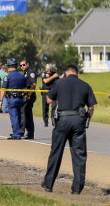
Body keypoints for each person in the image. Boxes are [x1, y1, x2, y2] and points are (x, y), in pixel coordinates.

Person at [41, 64, 96, 195]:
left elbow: (48, 100)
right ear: (77, 73)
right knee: (79, 155)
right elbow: (92, 107)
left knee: (56, 152)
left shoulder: (59, 83)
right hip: (79, 120)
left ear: (66, 73)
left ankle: (48, 184)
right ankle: (77, 189)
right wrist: (86, 119)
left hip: (62, 120)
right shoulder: (85, 85)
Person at [0, 58, 26, 140]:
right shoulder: (22, 76)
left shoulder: (7, 77)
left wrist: (1, 100)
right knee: (19, 116)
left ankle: (16, 134)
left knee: (14, 117)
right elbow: (25, 87)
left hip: (12, 99)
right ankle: (18, 132)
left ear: (10, 66)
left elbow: (3, 89)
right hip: (21, 98)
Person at [19, 59, 37, 140]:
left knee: (25, 113)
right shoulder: (25, 73)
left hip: (29, 95)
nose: (22, 66)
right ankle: (29, 133)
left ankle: (22, 132)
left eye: (24, 64)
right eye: (21, 65)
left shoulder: (31, 72)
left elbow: (33, 85)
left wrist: (29, 94)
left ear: (28, 64)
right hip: (26, 94)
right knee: (27, 114)